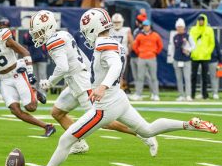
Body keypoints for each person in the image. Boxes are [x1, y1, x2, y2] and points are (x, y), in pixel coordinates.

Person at [17, 8, 218, 166]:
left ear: (94, 28)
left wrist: (103, 86)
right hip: (119, 99)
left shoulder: (103, 45)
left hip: (105, 105)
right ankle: (188, 124)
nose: (86, 34)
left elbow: (115, 65)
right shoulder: (113, 41)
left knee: (66, 139)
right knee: (147, 130)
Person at [29, 10, 158, 156]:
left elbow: (63, 67)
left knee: (106, 121)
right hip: (74, 81)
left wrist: (50, 82)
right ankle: (79, 144)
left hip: (81, 83)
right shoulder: (63, 34)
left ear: (47, 27)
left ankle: (142, 133)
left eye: (38, 32)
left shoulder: (54, 41)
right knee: (57, 113)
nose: (36, 36)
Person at [0, 13, 54, 136]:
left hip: (17, 72)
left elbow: (25, 52)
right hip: (4, 79)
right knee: (15, 110)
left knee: (31, 107)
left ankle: (35, 93)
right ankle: (47, 126)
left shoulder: (3, 36)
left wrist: (30, 74)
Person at [130, 20, 162, 101]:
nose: (145, 27)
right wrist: (140, 52)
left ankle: (156, 94)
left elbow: (160, 46)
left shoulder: (155, 35)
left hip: (152, 57)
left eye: (147, 25)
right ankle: (138, 94)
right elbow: (135, 46)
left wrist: (154, 52)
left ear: (150, 26)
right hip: (141, 58)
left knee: (153, 77)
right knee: (140, 77)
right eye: (144, 26)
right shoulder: (140, 35)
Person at [167, 18, 194, 101]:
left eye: (181, 27)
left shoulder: (188, 36)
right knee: (179, 78)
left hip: (186, 60)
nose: (179, 28)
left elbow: (194, 46)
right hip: (177, 59)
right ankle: (181, 95)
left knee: (187, 78)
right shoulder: (175, 36)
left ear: (184, 27)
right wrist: (171, 58)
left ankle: (188, 95)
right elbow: (172, 48)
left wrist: (188, 50)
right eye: (178, 27)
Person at [190, 14, 215, 99]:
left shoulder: (209, 30)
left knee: (204, 77)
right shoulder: (193, 29)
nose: (201, 21)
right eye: (199, 20)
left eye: (202, 20)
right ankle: (192, 94)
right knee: (193, 77)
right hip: (195, 56)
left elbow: (212, 43)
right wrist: (192, 52)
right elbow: (190, 41)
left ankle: (204, 95)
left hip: (205, 57)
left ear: (205, 20)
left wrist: (207, 52)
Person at [109, 13, 133, 92]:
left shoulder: (126, 30)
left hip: (121, 55)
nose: (116, 24)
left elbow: (131, 42)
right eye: (115, 22)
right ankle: (112, 90)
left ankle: (119, 90)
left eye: (118, 22)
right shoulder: (109, 30)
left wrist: (127, 51)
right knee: (110, 73)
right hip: (110, 55)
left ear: (122, 22)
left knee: (120, 74)